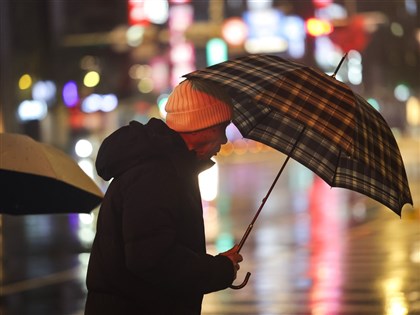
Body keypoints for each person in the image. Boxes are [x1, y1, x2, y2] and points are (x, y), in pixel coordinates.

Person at [85, 78, 244, 315]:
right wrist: (218, 270)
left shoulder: (168, 165)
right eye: (221, 128)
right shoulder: (156, 173)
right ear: (203, 125)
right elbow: (152, 258)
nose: (223, 139)